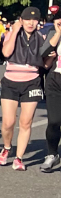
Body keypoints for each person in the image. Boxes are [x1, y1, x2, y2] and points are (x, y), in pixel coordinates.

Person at [0, 7, 56, 171]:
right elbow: (6, 52)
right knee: (8, 122)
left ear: (38, 22)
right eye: (27, 19)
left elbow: (44, 65)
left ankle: (19, 158)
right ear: (21, 20)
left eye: (34, 20)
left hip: (32, 83)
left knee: (26, 122)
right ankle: (7, 147)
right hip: (10, 81)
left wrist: (51, 58)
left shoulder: (42, 37)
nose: (31, 23)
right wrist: (15, 31)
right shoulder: (12, 34)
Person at [40, 13, 61, 173]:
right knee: (54, 121)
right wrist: (58, 32)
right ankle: (52, 154)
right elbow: (42, 53)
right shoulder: (54, 33)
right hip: (55, 80)